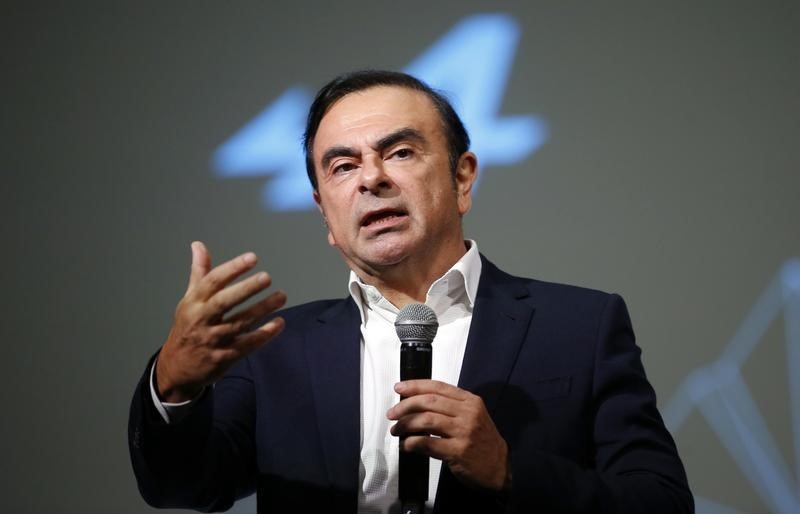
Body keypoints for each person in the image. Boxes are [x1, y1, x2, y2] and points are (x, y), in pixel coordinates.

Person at [129, 70, 693, 514]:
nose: (371, 178)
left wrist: (509, 470)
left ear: (463, 178)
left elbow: (660, 503)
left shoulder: (580, 326)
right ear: (325, 213)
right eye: (343, 166)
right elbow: (186, 487)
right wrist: (174, 383)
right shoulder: (274, 349)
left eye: (399, 153)